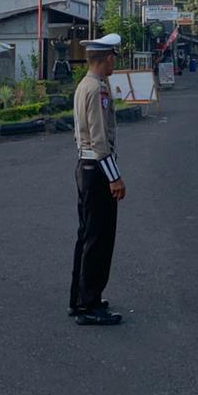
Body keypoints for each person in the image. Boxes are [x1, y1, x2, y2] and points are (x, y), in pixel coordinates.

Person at [69, 34, 127, 326]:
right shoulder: (99, 90)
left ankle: (79, 299)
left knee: (87, 235)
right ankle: (90, 304)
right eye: (113, 57)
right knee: (99, 238)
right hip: (97, 169)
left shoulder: (84, 85)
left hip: (85, 166)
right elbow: (100, 138)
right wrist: (115, 178)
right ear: (105, 59)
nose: (114, 61)